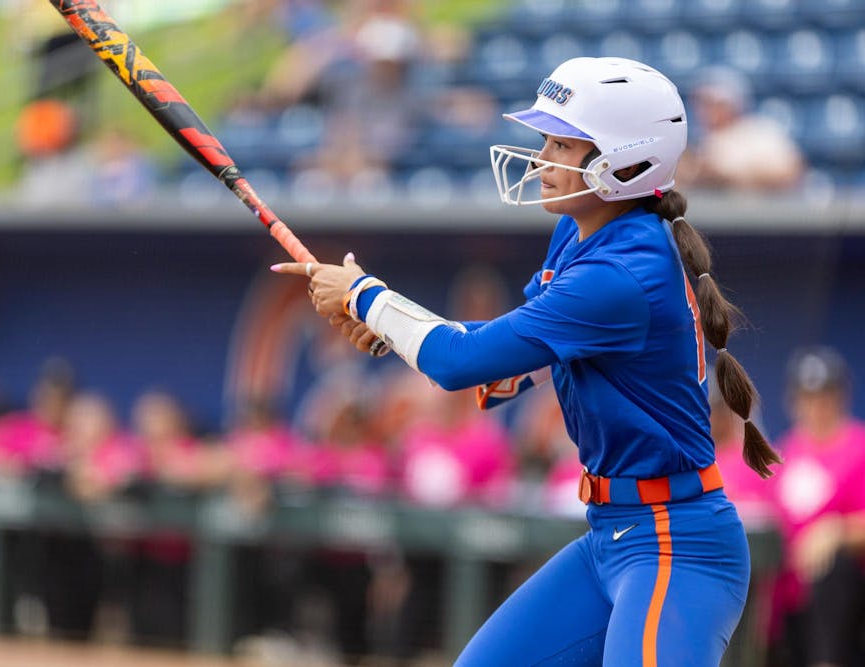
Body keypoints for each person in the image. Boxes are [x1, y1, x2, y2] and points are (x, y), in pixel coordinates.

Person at [273, 56, 783, 665]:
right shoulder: (581, 231)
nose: (541, 157)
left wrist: (364, 296)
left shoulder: (621, 270)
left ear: (625, 160)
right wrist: (384, 330)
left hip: (677, 545)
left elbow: (461, 362)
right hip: (612, 535)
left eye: (562, 143)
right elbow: (516, 362)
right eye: (546, 138)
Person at [767, 347, 865, 667]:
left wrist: (837, 530)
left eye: (825, 395)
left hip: (845, 604)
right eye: (808, 396)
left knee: (833, 565)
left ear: (841, 396)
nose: (816, 407)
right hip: (789, 602)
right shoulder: (783, 453)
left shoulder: (858, 445)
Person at [676, 66, 804, 192]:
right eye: (701, 103)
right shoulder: (693, 141)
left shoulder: (760, 132)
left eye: (713, 103)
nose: (706, 111)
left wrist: (730, 174)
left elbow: (790, 171)